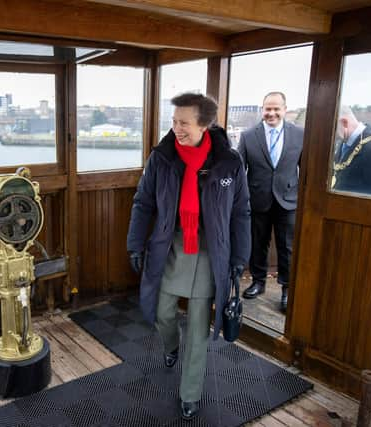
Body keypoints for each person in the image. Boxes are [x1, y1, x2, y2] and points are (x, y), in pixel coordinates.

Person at [127, 93, 250, 420]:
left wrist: (240, 257)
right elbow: (143, 203)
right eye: (174, 121)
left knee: (198, 325)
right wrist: (135, 243)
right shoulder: (162, 157)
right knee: (161, 312)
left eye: (183, 122)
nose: (176, 128)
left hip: (213, 252)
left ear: (204, 125)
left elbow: (241, 213)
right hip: (171, 245)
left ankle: (190, 394)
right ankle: (170, 347)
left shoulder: (230, 162)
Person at [237, 91, 303, 313]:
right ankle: (258, 282)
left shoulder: (300, 134)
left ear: (284, 109)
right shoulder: (247, 136)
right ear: (262, 109)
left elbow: (306, 169)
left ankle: (287, 288)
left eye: (276, 109)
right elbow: (239, 170)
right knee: (258, 242)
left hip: (288, 200)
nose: (271, 113)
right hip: (258, 200)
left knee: (287, 247)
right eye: (268, 108)